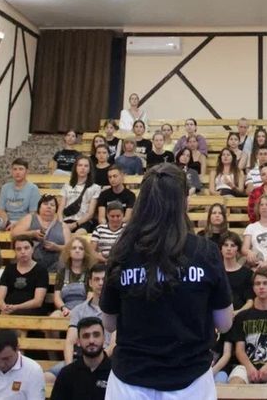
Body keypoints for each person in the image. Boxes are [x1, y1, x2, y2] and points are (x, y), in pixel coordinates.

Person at [100, 163, 233, 398]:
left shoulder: (122, 250)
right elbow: (224, 323)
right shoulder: (205, 251)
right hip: (190, 381)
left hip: (130, 382)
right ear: (184, 202)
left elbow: (109, 323)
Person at [51, 317, 112, 400]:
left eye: (96, 335)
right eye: (86, 336)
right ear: (78, 341)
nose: (91, 341)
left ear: (104, 338)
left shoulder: (115, 373)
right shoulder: (67, 374)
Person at [11, 195, 70, 271]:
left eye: (52, 205)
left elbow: (70, 247)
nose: (49, 207)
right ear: (39, 207)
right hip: (30, 264)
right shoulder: (30, 218)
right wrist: (32, 234)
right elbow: (14, 234)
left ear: (56, 209)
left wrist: (57, 247)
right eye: (45, 204)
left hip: (56, 265)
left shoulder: (63, 226)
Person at [0, 158, 41, 231]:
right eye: (15, 169)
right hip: (6, 220)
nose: (17, 172)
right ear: (11, 171)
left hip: (24, 221)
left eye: (21, 169)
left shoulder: (33, 189)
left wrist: (17, 223)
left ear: (27, 171)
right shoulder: (5, 187)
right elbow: (0, 209)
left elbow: (33, 214)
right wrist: (6, 222)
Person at [0, 235, 49, 315]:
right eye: (18, 249)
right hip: (8, 308)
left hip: (31, 310)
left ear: (32, 249)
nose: (23, 252)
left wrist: (16, 307)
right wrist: (4, 307)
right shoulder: (9, 269)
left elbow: (38, 301)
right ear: (15, 251)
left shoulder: (41, 270)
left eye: (26, 248)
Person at [52, 236, 97, 317]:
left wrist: (77, 311)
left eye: (81, 248)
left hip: (85, 309)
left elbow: (90, 296)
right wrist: (64, 308)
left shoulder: (89, 273)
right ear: (69, 252)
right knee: (54, 316)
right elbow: (57, 296)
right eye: (74, 248)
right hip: (65, 310)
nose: (77, 250)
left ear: (85, 252)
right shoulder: (62, 272)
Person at [59, 155, 101, 235]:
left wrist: (75, 224)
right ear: (76, 168)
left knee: (78, 234)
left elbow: (90, 213)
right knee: (62, 234)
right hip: (66, 220)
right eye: (80, 165)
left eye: (86, 166)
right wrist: (62, 224)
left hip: (83, 222)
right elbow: (60, 209)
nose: (83, 168)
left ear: (89, 169)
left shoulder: (95, 187)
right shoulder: (67, 186)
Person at [220, 233, 253, 315]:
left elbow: (250, 301)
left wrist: (236, 313)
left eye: (232, 245)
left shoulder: (247, 273)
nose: (229, 248)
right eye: (226, 245)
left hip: (241, 315)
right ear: (221, 248)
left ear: (238, 249)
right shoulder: (215, 272)